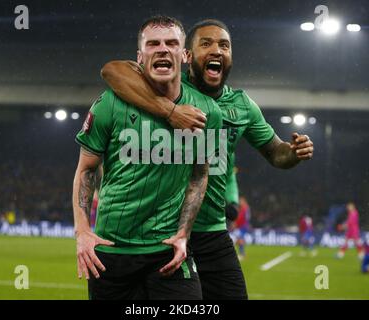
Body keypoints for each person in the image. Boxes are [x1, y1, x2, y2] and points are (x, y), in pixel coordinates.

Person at [100, 19, 314, 300]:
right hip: (162, 231)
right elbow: (113, 71)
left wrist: (294, 152)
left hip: (211, 230)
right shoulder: (165, 87)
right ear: (186, 56)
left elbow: (277, 153)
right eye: (206, 44)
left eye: (224, 45)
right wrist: (171, 111)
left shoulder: (242, 106)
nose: (217, 50)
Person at [73, 15, 222, 300]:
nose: (163, 49)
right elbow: (86, 171)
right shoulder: (108, 104)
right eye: (153, 44)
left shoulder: (209, 111)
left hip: (168, 254)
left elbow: (200, 174)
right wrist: (82, 231)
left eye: (171, 43)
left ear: (185, 55)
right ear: (139, 57)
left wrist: (183, 234)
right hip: (111, 253)